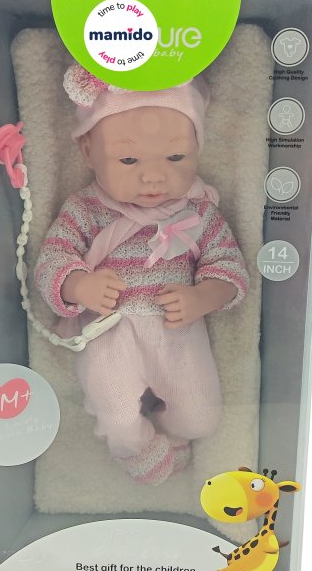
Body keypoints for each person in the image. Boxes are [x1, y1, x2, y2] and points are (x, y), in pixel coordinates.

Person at [33, 65, 248, 485]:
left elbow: (229, 267)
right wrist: (79, 284)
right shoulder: (86, 209)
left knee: (201, 417)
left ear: (197, 149)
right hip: (111, 328)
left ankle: (169, 433)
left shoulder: (198, 210)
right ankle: (136, 447)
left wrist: (203, 296)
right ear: (88, 152)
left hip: (176, 329)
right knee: (115, 411)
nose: (153, 175)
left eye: (176, 157)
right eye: (129, 160)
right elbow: (51, 260)